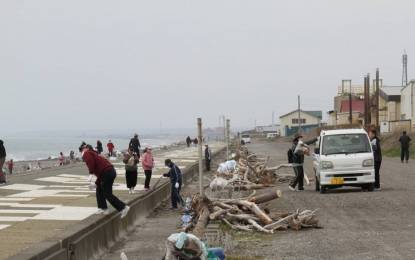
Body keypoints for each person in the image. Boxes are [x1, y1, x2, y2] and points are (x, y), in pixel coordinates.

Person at [79, 142, 130, 218]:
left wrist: (91, 173)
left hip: (107, 173)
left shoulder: (87, 153)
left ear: (83, 150)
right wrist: (96, 183)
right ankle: (103, 208)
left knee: (107, 194)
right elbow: (100, 173)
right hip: (108, 172)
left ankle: (123, 207)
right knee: (99, 189)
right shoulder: (94, 154)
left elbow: (91, 163)